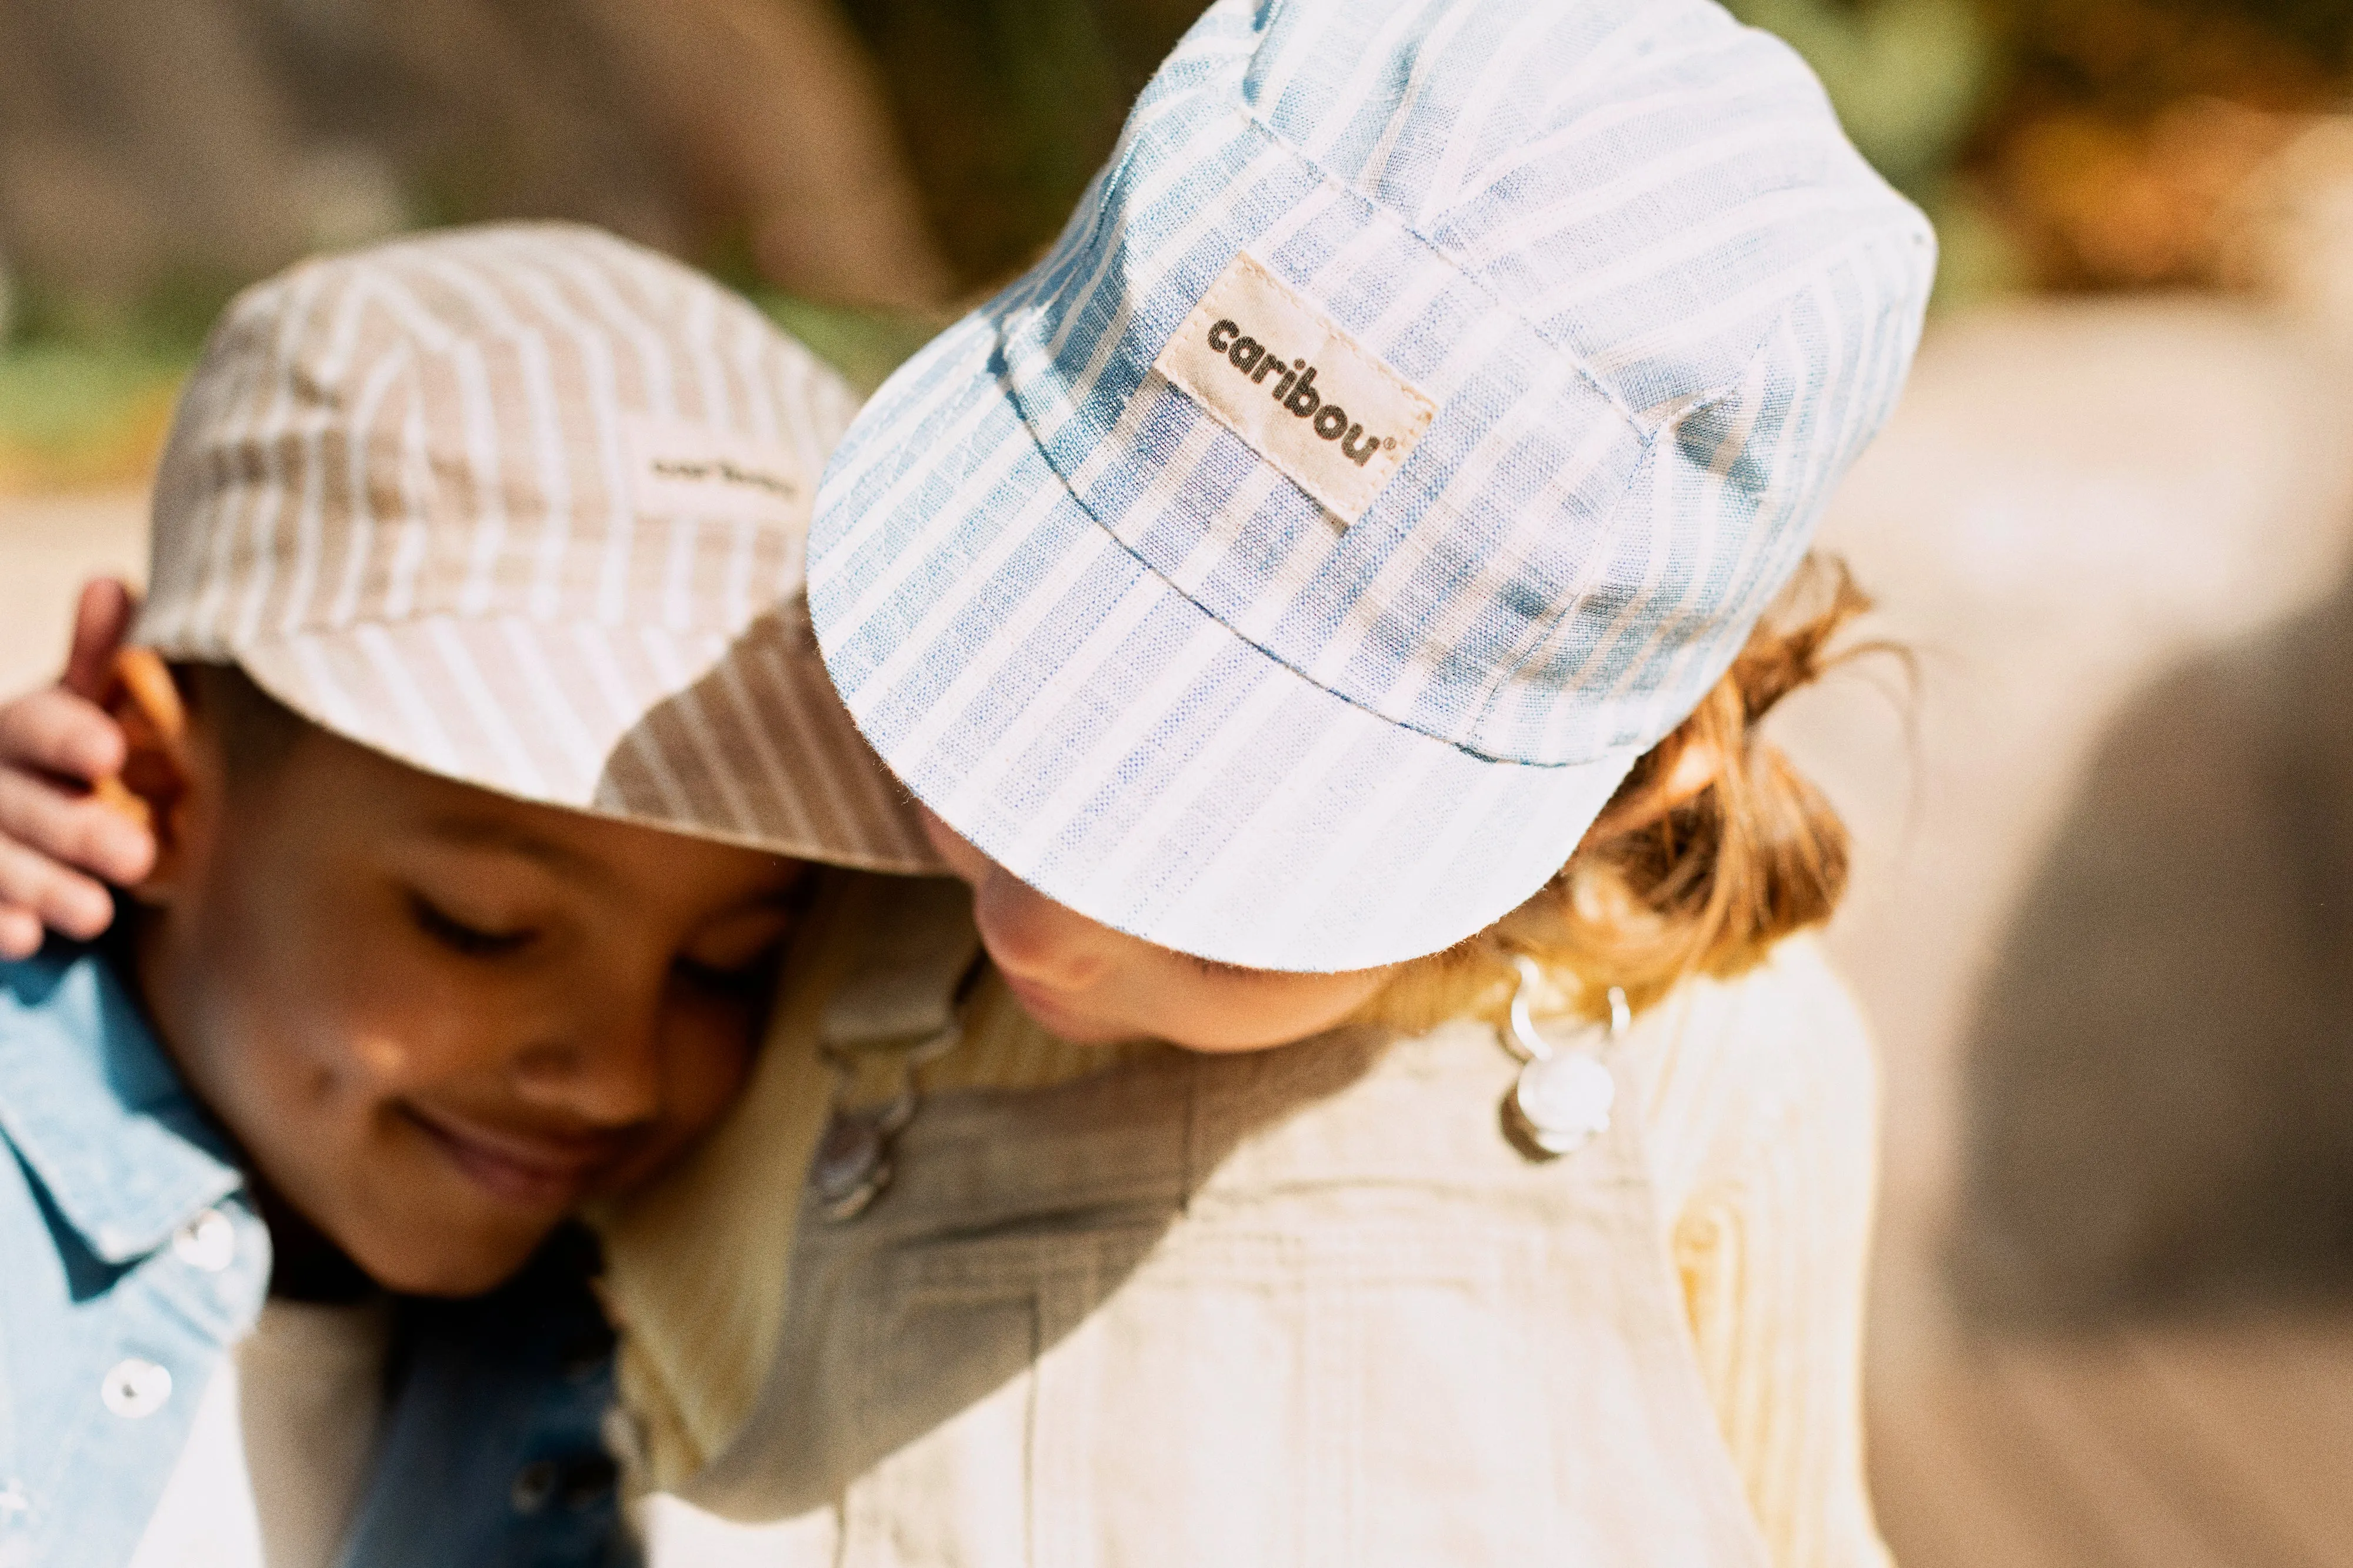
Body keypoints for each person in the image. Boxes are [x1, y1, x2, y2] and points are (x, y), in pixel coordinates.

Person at [4, 1, 1934, 1560]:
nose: (1036, 915)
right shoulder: (809, 979)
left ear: (1621, 779)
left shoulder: (1728, 1075)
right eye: (1013, 714)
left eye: (1227, 854)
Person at [0, 221, 942, 1568]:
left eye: (731, 961)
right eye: (482, 925)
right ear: (149, 765)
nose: (613, 1076)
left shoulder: (609, 1338)